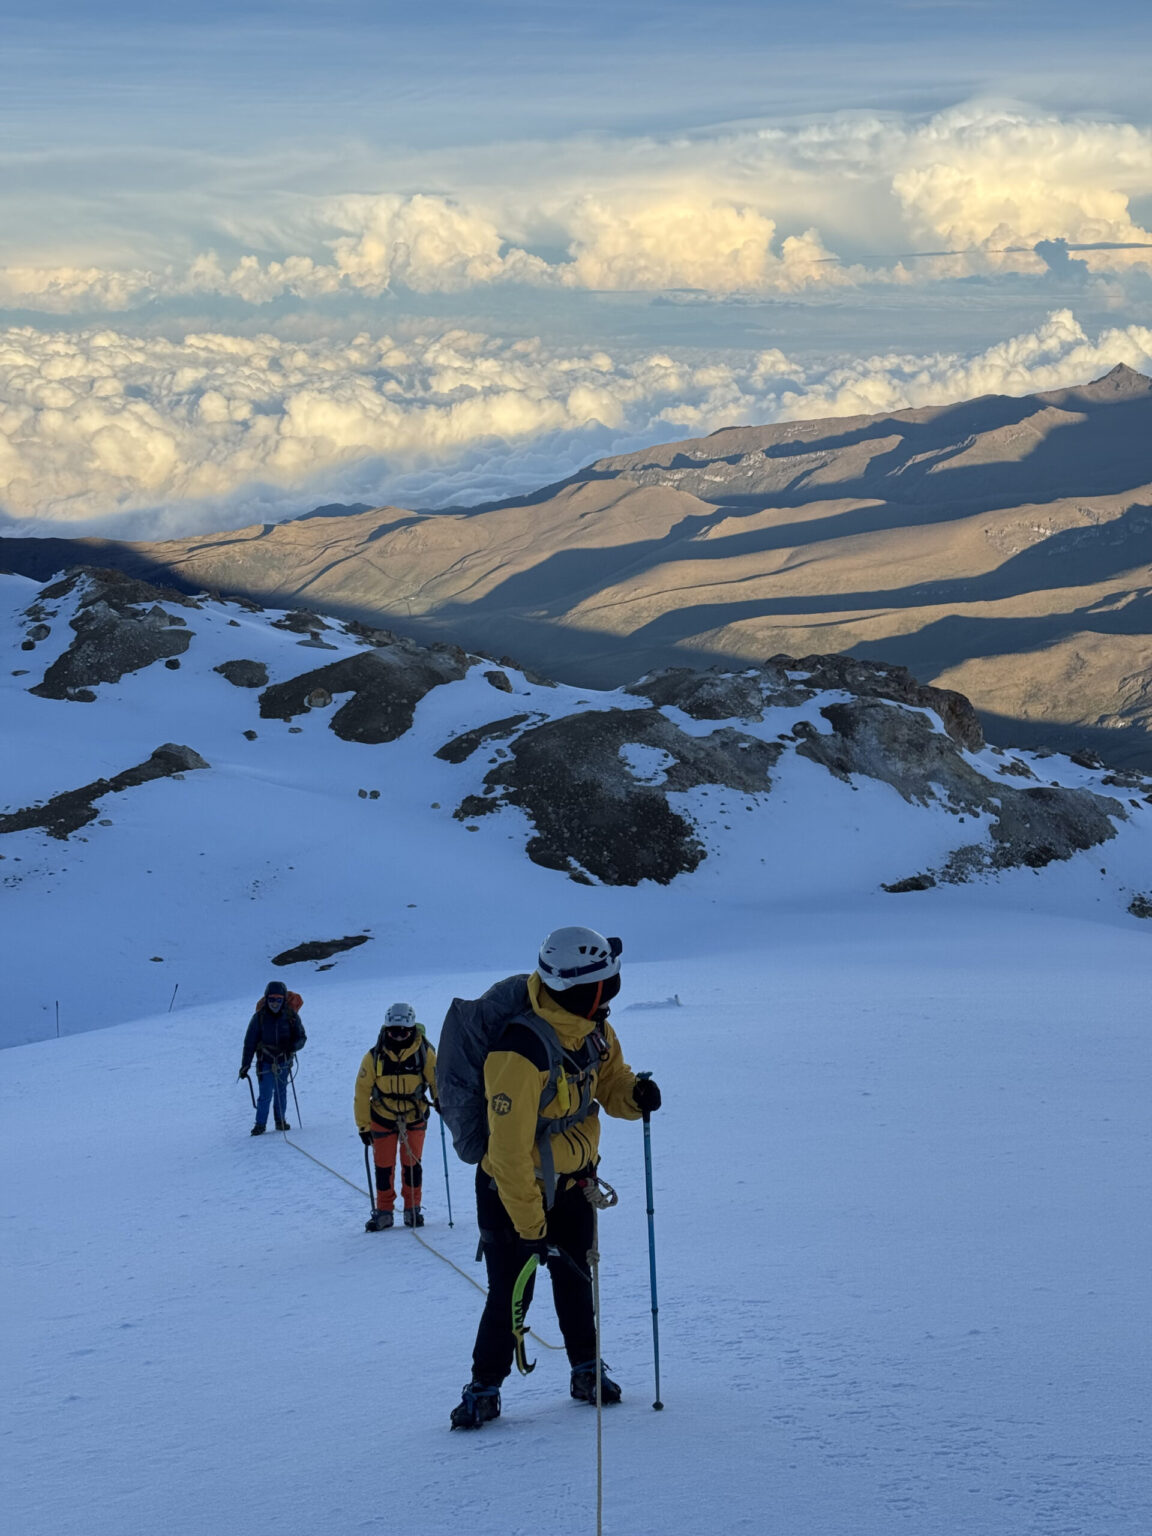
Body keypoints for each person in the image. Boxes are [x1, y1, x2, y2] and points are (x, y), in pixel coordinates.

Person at [449, 926, 661, 1430]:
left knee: (576, 1280)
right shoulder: (519, 1051)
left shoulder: (593, 1029)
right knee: (511, 1290)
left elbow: (609, 1080)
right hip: (510, 1192)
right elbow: (507, 1154)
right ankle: (484, 1387)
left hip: (573, 1185)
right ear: (582, 988)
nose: (610, 996)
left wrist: (633, 1095)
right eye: (606, 985)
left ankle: (586, 1369)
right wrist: (530, 1227)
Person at [355, 1003, 438, 1231]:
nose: (399, 1036)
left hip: (414, 1116)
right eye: (393, 1032)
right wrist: (363, 1126)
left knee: (412, 1166)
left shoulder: (425, 1054)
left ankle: (413, 1209)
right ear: (386, 1029)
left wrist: (440, 1098)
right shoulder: (374, 1057)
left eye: (403, 1032)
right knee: (384, 1167)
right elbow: (362, 1091)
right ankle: (384, 1212)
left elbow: (436, 1079)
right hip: (382, 1117)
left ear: (412, 1030)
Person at [239, 980, 306, 1135]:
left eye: (278, 999)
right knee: (266, 1094)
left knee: (281, 1092)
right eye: (271, 999)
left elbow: (301, 1037)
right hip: (265, 1061)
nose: (274, 1003)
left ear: (283, 1000)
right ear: (266, 998)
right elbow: (249, 1043)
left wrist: (292, 1046)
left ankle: (280, 1121)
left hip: (284, 1061)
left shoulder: (291, 1016)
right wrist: (245, 1065)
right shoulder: (259, 1018)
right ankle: (260, 1124)